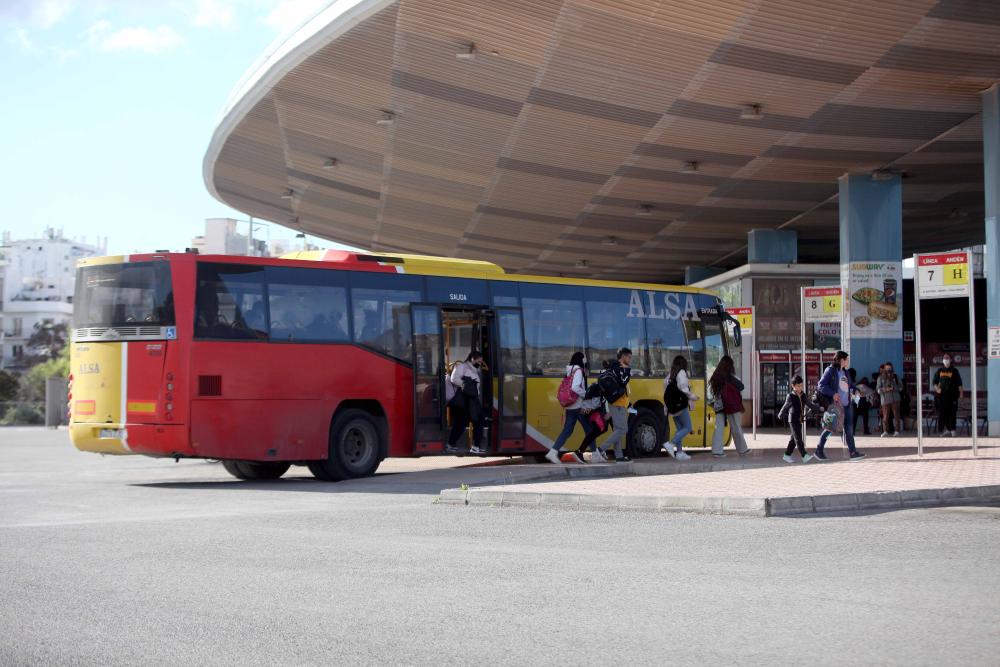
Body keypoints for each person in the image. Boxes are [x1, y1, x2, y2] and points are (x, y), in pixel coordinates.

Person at [815, 350, 865, 460]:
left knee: (849, 430)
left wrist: (855, 390)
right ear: (842, 359)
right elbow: (821, 385)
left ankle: (853, 452)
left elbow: (850, 385)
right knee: (829, 428)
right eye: (847, 359)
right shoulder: (830, 371)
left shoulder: (846, 372)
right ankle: (819, 450)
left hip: (847, 406)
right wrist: (832, 394)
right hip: (835, 407)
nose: (848, 361)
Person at [547, 352, 590, 464]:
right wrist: (586, 394)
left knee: (567, 431)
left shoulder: (569, 370)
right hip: (578, 406)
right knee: (590, 430)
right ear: (581, 360)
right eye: (584, 360)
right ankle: (595, 454)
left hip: (570, 406)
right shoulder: (579, 371)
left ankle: (553, 451)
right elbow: (575, 387)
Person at [596, 347, 633, 463]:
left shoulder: (617, 367)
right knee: (623, 429)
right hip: (617, 403)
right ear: (623, 357)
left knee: (618, 429)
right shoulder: (619, 367)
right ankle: (601, 449)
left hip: (619, 403)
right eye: (629, 357)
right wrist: (627, 371)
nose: (630, 360)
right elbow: (623, 382)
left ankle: (619, 456)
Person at [709, 355, 750, 457]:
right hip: (731, 405)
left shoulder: (715, 376)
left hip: (719, 406)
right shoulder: (729, 377)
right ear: (730, 366)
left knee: (718, 428)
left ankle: (717, 451)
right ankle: (742, 450)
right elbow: (741, 386)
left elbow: (710, 391)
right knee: (736, 427)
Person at [445, 351, 486, 455]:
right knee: (475, 419)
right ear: (472, 358)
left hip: (471, 399)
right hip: (464, 399)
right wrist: (465, 385)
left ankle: (453, 444)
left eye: (481, 360)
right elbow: (454, 379)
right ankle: (475, 446)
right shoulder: (462, 367)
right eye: (478, 359)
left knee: (464, 423)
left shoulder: (474, 370)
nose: (480, 362)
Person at [777, 375, 818, 463]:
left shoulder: (803, 395)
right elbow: (785, 406)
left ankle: (787, 455)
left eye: (801, 386)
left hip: (800, 419)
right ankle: (804, 455)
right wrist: (780, 413)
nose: (800, 388)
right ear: (793, 386)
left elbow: (809, 404)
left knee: (794, 439)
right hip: (792, 419)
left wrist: (818, 408)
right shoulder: (790, 396)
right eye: (798, 386)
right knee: (798, 438)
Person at [661, 355, 695, 461]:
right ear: (683, 364)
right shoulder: (681, 373)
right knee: (688, 427)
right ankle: (671, 444)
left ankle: (679, 452)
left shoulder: (670, 375)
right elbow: (683, 387)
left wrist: (667, 407)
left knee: (680, 429)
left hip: (672, 408)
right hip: (680, 406)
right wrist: (691, 397)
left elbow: (666, 391)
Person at [933, 354, 964, 436]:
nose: (945, 359)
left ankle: (953, 430)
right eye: (944, 358)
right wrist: (937, 389)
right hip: (942, 397)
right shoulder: (940, 370)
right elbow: (934, 382)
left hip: (952, 396)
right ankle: (946, 430)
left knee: (952, 413)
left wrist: (961, 393)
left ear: (950, 360)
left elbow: (959, 383)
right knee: (943, 413)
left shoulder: (954, 370)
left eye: (947, 358)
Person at [876, 361, 903, 437]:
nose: (888, 369)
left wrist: (894, 388)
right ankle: (885, 431)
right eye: (887, 368)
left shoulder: (896, 377)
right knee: (885, 417)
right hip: (885, 400)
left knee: (896, 416)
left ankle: (897, 431)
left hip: (895, 399)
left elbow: (901, 387)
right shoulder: (880, 378)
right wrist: (885, 389)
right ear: (884, 369)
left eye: (890, 368)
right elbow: (878, 389)